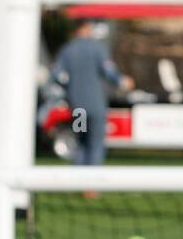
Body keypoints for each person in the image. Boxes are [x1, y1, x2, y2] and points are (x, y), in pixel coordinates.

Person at [50, 19, 133, 199]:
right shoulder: (97, 49)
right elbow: (110, 72)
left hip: (78, 107)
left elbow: (56, 75)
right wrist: (123, 82)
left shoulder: (67, 50)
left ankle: (77, 181)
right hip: (96, 106)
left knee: (81, 142)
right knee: (95, 144)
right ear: (86, 28)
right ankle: (90, 186)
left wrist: (69, 88)